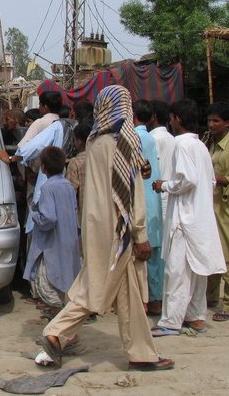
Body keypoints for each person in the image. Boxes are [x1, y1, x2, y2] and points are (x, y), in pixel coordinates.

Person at [38, 85, 173, 372]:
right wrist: (140, 233)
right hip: (119, 227)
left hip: (94, 226)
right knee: (95, 286)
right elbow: (130, 191)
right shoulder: (125, 140)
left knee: (128, 292)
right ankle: (56, 332)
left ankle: (142, 353)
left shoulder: (94, 141)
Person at [151, 99, 226, 335]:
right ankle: (195, 317)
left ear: (177, 119)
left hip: (184, 217)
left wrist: (164, 185)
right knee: (195, 271)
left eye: (172, 118)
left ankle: (171, 321)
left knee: (177, 270)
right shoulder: (201, 146)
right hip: (199, 216)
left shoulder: (183, 145)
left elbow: (187, 179)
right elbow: (208, 180)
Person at [23, 146, 80, 317]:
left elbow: (49, 219)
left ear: (43, 168)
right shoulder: (68, 186)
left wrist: (34, 214)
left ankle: (59, 332)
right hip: (69, 243)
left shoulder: (47, 188)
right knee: (65, 285)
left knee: (51, 287)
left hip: (52, 245)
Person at [133, 99, 164, 316]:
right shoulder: (149, 138)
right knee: (153, 253)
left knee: (145, 255)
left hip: (142, 199)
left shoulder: (135, 138)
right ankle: (154, 299)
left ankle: (149, 300)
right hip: (152, 200)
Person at [205, 102, 229, 321]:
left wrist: (223, 180)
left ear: (227, 123)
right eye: (210, 120)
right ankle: (210, 296)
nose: (211, 124)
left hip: (228, 208)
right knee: (211, 253)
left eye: (216, 121)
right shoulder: (209, 142)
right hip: (211, 206)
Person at [148, 101, 175, 223]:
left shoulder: (151, 140)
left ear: (153, 117)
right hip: (172, 196)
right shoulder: (172, 138)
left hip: (158, 197)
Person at [65, 120, 91, 224]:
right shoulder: (103, 157)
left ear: (79, 141)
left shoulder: (75, 163)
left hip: (83, 219)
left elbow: (70, 194)